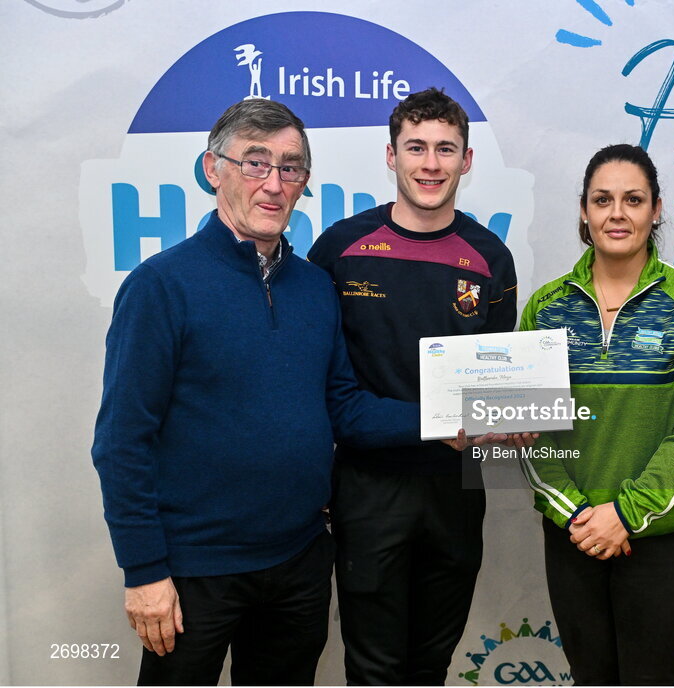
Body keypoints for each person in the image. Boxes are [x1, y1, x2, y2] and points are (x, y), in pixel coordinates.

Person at [91, 99, 425, 686]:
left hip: (298, 562)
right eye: (255, 163)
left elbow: (344, 408)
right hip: (194, 572)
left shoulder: (317, 288)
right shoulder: (161, 286)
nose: (274, 183)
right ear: (213, 169)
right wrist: (144, 571)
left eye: (290, 167)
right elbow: (122, 441)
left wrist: (450, 418)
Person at [307, 87, 521, 685]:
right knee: (374, 670)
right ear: (391, 155)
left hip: (455, 490)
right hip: (367, 489)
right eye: (417, 147)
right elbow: (321, 385)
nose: (431, 163)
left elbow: (496, 380)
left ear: (467, 161)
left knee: (430, 666)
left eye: (446, 149)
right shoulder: (339, 250)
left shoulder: (489, 258)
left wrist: (513, 418)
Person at [518, 144, 674, 685]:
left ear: (655, 209)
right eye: (602, 199)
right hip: (576, 534)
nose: (617, 213)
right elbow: (531, 426)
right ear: (584, 212)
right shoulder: (546, 307)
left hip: (664, 540)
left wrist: (628, 512)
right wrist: (579, 514)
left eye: (633, 199)